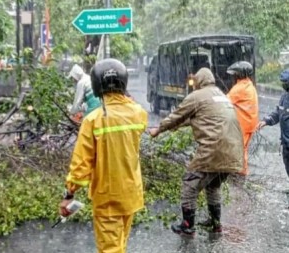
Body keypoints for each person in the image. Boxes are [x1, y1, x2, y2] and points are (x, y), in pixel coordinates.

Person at [59, 59, 148, 253]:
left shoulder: (93, 120)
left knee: (110, 249)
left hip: (108, 198)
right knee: (120, 245)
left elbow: (80, 165)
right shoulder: (138, 114)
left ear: (97, 85)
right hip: (131, 194)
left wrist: (69, 195)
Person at [149, 67, 243, 236]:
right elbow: (197, 118)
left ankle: (187, 225)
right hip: (233, 152)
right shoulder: (221, 95)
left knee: (189, 185)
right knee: (213, 186)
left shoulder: (197, 96)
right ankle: (216, 224)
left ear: (199, 81)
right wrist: (174, 127)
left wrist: (159, 129)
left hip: (214, 150)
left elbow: (177, 115)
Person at [226, 61, 258, 176]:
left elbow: (226, 101)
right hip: (250, 123)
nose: (233, 76)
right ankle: (242, 171)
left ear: (239, 74)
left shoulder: (239, 88)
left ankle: (239, 172)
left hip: (242, 124)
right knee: (243, 149)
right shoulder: (249, 84)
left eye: (235, 74)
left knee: (238, 149)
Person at [258, 69, 289, 178]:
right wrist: (266, 120)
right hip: (286, 143)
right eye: (283, 83)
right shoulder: (285, 96)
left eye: (286, 83)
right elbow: (278, 112)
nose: (284, 85)